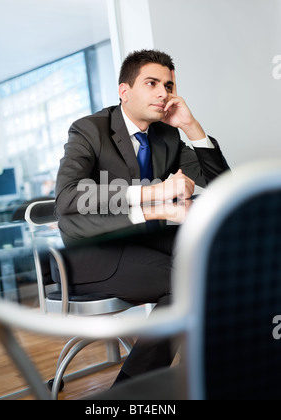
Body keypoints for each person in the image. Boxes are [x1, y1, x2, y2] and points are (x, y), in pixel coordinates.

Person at [56, 50, 230, 385]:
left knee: (211, 256)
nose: (164, 93)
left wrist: (191, 127)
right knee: (190, 284)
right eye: (152, 83)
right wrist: (156, 194)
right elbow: (68, 197)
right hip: (95, 253)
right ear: (124, 91)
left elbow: (221, 182)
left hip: (147, 242)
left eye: (168, 84)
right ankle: (131, 391)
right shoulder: (90, 130)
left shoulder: (166, 135)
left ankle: (144, 383)